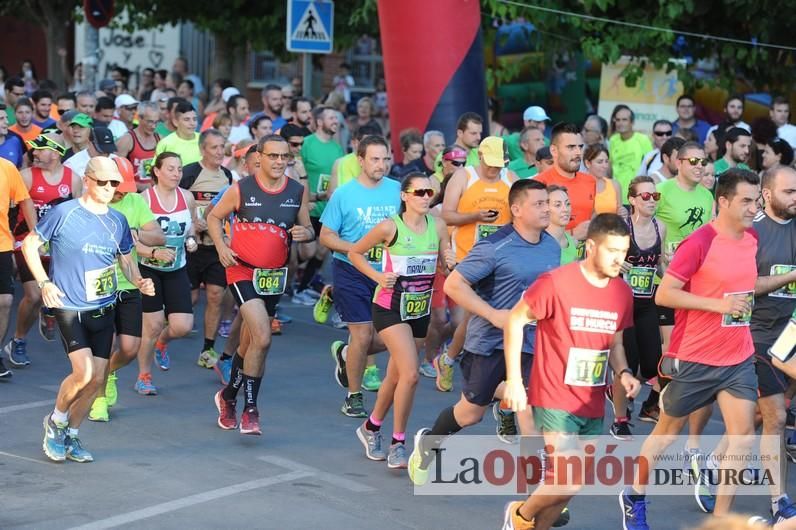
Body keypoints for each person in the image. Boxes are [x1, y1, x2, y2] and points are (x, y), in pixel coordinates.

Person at [620, 169, 762, 528]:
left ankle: (721, 519)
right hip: (695, 356)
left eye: (756, 199)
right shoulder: (700, 242)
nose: (753, 206)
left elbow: (747, 284)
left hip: (737, 355)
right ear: (724, 202)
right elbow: (664, 294)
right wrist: (719, 307)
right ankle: (634, 494)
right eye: (746, 200)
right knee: (665, 435)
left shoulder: (752, 239)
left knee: (742, 437)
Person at [408, 179, 561, 485]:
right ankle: (429, 443)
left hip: (531, 342)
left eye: (549, 203)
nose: (547, 209)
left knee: (530, 409)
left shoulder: (552, 247)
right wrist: (494, 314)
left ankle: (539, 496)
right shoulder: (495, 246)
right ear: (516, 209)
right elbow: (454, 285)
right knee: (470, 414)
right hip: (490, 342)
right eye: (539, 204)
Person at [501, 213, 639, 530]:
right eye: (612, 251)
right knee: (569, 479)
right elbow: (515, 320)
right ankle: (518, 515)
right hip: (553, 395)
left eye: (624, 251)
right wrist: (514, 380)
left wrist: (624, 372)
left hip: (590, 400)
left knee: (566, 491)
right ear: (591, 246)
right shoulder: (557, 282)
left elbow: (615, 343)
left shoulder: (622, 293)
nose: (620, 259)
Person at [23, 157, 154, 462]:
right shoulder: (64, 213)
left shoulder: (117, 220)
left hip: (103, 305)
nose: (109, 188)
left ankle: (72, 434)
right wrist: (44, 283)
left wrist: (137, 280)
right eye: (103, 182)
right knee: (83, 373)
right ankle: (55, 421)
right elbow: (30, 245)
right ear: (88, 179)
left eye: (114, 183)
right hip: (69, 306)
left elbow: (125, 257)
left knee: (97, 379)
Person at [208, 134, 312, 434]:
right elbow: (213, 217)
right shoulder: (241, 189)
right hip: (241, 270)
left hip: (274, 276)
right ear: (260, 157)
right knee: (263, 338)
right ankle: (250, 410)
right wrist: (221, 247)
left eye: (284, 157)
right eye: (273, 156)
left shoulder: (296, 190)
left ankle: (228, 396)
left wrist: (307, 233)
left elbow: (306, 228)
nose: (279, 162)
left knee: (250, 343)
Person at [349, 173, 454, 468]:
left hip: (419, 309)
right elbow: (355, 253)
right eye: (419, 192)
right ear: (405, 196)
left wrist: (449, 262)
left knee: (395, 376)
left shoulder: (439, 225)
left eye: (429, 192)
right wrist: (378, 276)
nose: (425, 197)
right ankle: (398, 442)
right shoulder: (389, 227)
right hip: (389, 307)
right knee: (410, 374)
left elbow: (444, 259)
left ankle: (370, 427)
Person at [320, 135, 401, 418]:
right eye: (375, 159)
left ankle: (346, 354)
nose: (381, 165)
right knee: (363, 334)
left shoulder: (397, 190)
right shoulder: (344, 193)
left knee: (395, 336)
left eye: (386, 159)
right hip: (350, 270)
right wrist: (356, 249)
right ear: (361, 160)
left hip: (387, 273)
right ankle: (353, 396)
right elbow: (326, 236)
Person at [89, 157, 166, 420]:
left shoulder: (134, 202)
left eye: (123, 185)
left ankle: (108, 373)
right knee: (103, 346)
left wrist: (136, 234)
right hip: (97, 285)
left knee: (130, 348)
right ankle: (98, 400)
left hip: (129, 284)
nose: (120, 191)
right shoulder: (90, 204)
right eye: (115, 185)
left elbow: (159, 236)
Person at [744, 165, 796, 522]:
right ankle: (780, 502)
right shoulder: (752, 233)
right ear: (767, 194)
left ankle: (720, 459)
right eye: (789, 192)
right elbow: (747, 286)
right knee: (776, 417)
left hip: (793, 334)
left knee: (761, 416)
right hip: (759, 335)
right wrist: (792, 275)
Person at [6, 134, 80, 367]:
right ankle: (18, 340)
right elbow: (8, 211)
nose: (34, 153)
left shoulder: (74, 179)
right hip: (26, 241)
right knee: (34, 294)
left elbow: (78, 214)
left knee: (57, 295)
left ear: (56, 153)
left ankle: (48, 311)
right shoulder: (26, 176)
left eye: (40, 149)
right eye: (34, 150)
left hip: (58, 245)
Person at [130, 151, 198, 397]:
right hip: (149, 269)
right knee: (153, 324)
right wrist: (152, 252)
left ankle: (162, 343)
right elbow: (130, 240)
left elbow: (191, 226)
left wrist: (191, 239)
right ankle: (144, 376)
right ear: (156, 171)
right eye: (170, 169)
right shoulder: (143, 199)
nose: (176, 174)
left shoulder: (187, 197)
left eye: (179, 169)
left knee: (182, 326)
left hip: (176, 267)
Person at [606, 176, 667, 441]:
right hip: (621, 304)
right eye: (645, 196)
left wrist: (674, 283)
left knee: (654, 364)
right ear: (632, 200)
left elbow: (662, 264)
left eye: (655, 196)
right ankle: (620, 419)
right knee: (627, 365)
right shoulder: (621, 227)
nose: (651, 201)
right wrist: (614, 264)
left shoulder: (660, 227)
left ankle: (617, 390)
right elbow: (595, 257)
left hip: (647, 303)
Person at [179, 129, 233, 368]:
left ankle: (208, 349)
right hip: (191, 246)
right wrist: (193, 222)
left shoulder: (228, 176)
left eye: (222, 147)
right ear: (203, 149)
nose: (219, 152)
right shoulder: (190, 172)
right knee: (189, 299)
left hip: (215, 246)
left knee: (215, 296)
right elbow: (175, 202)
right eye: (214, 147)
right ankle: (162, 336)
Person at [0, 157, 36, 378]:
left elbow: (25, 200)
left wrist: (35, 235)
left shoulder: (7, 167)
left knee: (5, 301)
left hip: (2, 243)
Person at [536, 122, 596, 241]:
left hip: (584, 256)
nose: (578, 152)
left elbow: (591, 214)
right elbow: (532, 233)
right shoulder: (538, 184)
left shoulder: (590, 180)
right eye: (571, 147)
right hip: (552, 256)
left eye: (580, 146)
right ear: (554, 150)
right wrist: (573, 234)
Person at [607, 105, 653, 197]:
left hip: (636, 195)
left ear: (632, 122)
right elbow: (609, 167)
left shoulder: (643, 139)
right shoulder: (613, 140)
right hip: (616, 194)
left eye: (624, 120)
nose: (620, 123)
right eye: (618, 120)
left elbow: (651, 167)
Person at [116, 101, 161, 191]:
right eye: (150, 122)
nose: (153, 126)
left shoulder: (160, 139)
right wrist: (138, 185)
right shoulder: (127, 140)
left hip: (155, 193)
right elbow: (115, 173)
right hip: (132, 194)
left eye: (156, 122)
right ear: (139, 118)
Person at [155, 100, 201, 166]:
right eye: (187, 119)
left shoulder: (204, 140)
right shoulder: (165, 143)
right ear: (175, 122)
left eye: (194, 119)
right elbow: (157, 170)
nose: (192, 123)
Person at [546, 185, 579, 265]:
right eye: (558, 205)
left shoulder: (574, 242)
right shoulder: (539, 244)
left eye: (567, 204)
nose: (565, 209)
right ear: (545, 209)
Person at [584, 144, 621, 214]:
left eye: (606, 161)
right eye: (600, 162)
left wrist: (623, 213)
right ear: (587, 163)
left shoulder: (615, 185)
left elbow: (620, 215)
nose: (605, 166)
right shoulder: (580, 186)